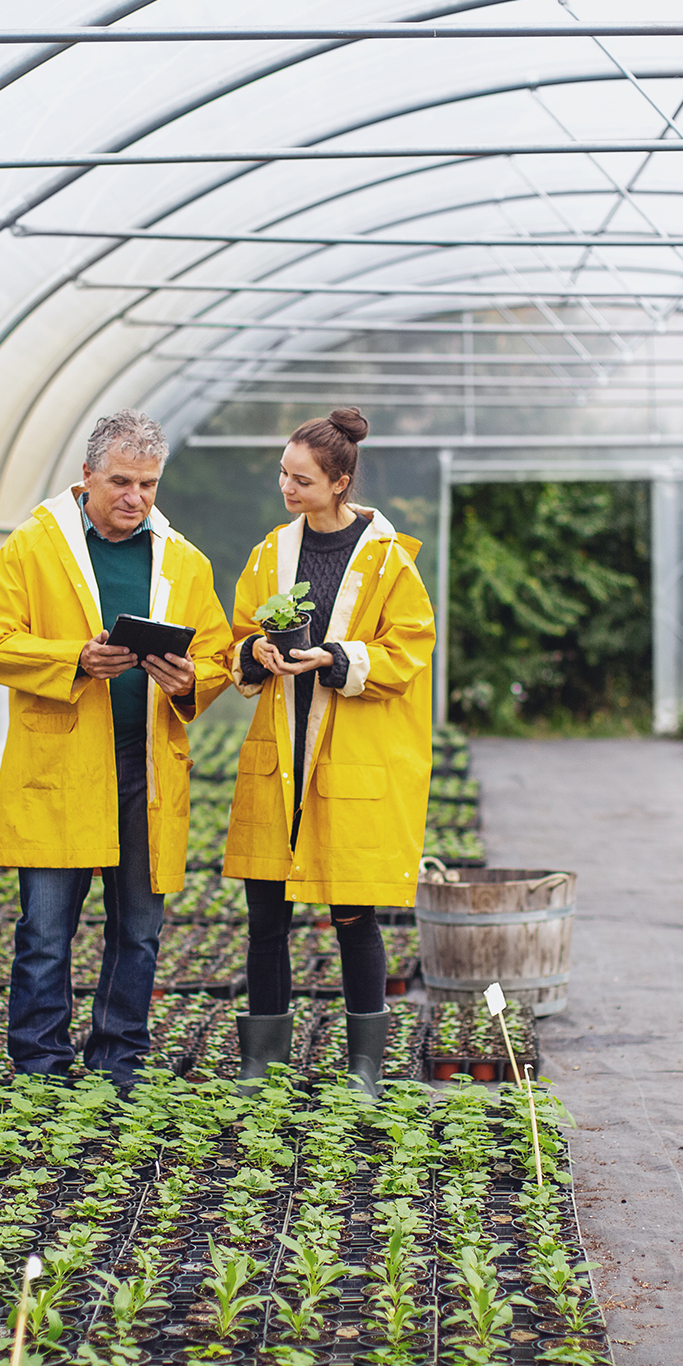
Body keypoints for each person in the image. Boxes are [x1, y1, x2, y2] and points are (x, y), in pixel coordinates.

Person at [0, 410, 232, 1085]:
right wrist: (75, 660)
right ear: (86, 477)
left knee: (138, 928)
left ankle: (119, 1058)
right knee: (46, 928)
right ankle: (40, 1062)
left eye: (148, 484)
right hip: (62, 765)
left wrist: (189, 680)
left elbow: (217, 654)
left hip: (144, 764)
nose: (135, 498)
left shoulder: (182, 561)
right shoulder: (33, 547)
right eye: (120, 481)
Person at [223, 408, 435, 1095]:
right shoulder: (270, 552)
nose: (288, 488)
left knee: (353, 915)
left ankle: (364, 1066)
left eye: (303, 479)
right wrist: (253, 654)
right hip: (279, 753)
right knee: (266, 914)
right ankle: (262, 1063)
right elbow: (235, 637)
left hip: (346, 761)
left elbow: (408, 651)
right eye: (284, 474)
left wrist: (337, 657)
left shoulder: (387, 559)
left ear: (339, 482)